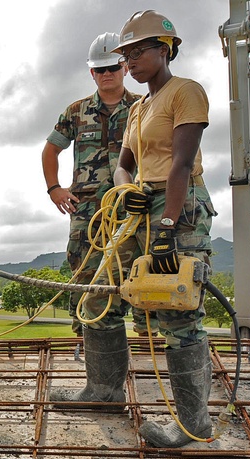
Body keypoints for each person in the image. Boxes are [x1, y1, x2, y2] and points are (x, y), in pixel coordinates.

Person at [63, 11, 216, 448]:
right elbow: (123, 166)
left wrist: (167, 224)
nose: (129, 61)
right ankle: (104, 391)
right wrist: (126, 189)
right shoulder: (140, 108)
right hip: (138, 205)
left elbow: (182, 164)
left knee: (177, 310)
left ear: (165, 48)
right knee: (101, 290)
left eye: (137, 51)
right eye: (125, 54)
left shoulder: (184, 93)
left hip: (178, 205)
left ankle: (193, 424)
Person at [42, 33, 157, 339]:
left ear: (124, 67)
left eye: (112, 67)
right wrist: (54, 188)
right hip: (88, 209)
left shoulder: (144, 106)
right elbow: (51, 150)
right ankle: (86, 342)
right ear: (91, 72)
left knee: (142, 268)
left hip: (135, 204)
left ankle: (148, 340)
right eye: (100, 69)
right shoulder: (76, 112)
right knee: (85, 271)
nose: (107, 74)